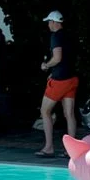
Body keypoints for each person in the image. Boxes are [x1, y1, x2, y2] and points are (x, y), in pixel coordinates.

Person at [37, 11, 78, 158]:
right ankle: (71, 149)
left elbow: (57, 58)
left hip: (60, 80)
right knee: (69, 114)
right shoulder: (69, 35)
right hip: (72, 78)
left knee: (45, 111)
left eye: (49, 22)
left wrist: (46, 66)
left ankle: (48, 148)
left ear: (55, 22)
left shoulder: (56, 36)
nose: (48, 24)